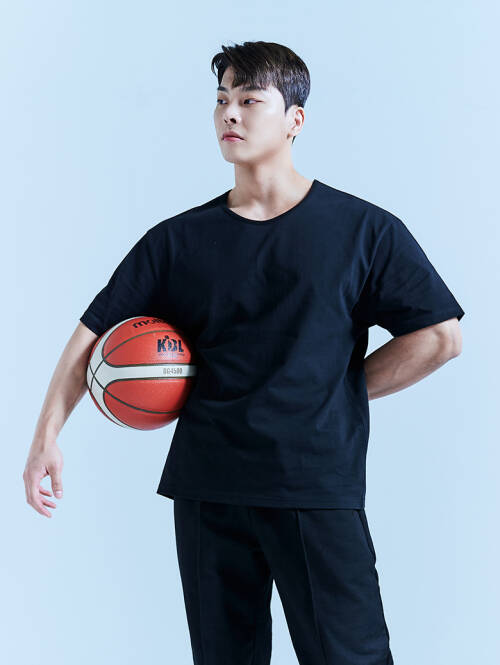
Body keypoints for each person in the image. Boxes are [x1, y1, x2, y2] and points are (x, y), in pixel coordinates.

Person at [24, 40, 465, 665]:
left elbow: (440, 336)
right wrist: (45, 438)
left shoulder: (363, 230)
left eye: (251, 100)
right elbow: (92, 333)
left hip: (313, 485)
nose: (230, 113)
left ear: (294, 119)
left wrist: (337, 389)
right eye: (221, 99)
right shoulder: (178, 240)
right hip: (208, 489)